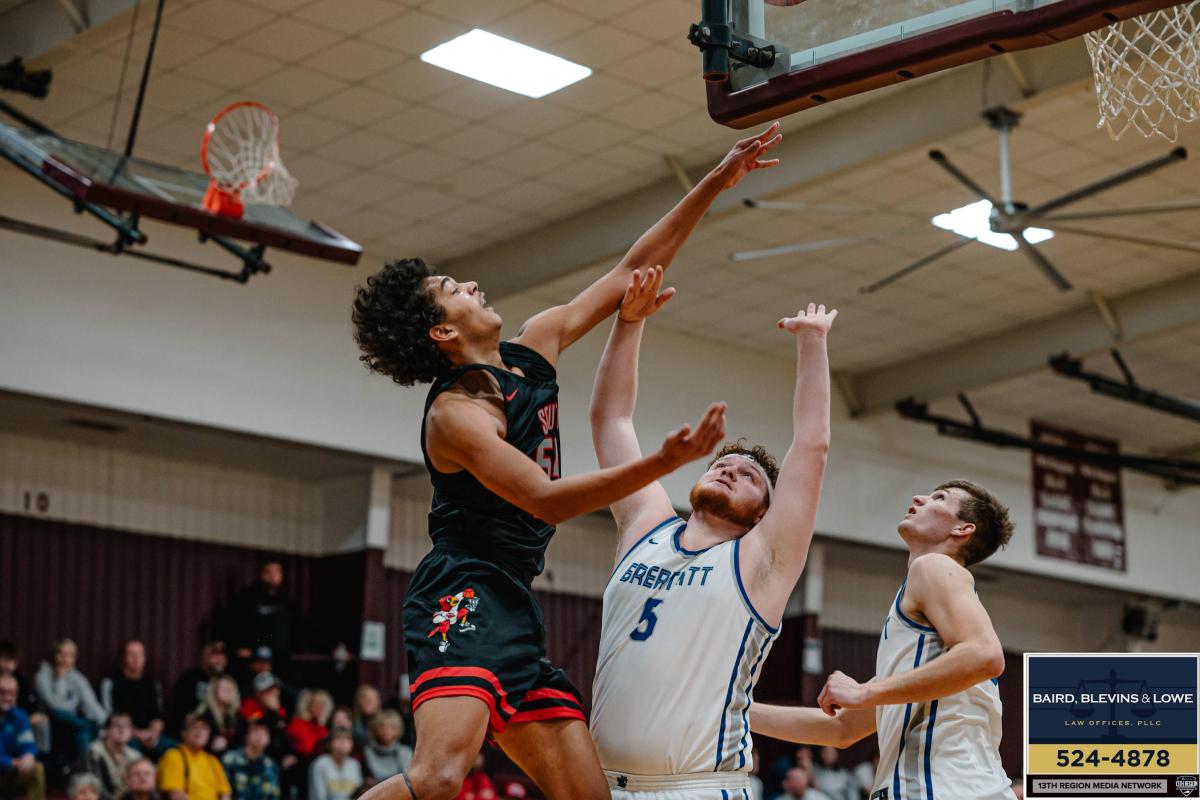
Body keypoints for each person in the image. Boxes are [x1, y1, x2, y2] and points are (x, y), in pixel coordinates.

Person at [351, 123, 783, 800]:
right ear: (443, 330)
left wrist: (715, 182)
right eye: (453, 288)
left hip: (515, 598)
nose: (471, 283)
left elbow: (630, 271)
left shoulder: (536, 345)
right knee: (438, 778)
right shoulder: (456, 415)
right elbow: (546, 501)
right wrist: (662, 462)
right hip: (463, 588)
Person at [587, 269, 837, 798]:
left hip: (698, 786)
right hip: (603, 786)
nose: (730, 470)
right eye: (723, 465)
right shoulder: (647, 525)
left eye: (749, 476)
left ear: (763, 514)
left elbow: (812, 447)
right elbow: (612, 421)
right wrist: (628, 323)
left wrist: (812, 343)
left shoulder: (761, 560)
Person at [751, 482, 1016, 800]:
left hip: (943, 787)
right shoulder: (924, 657)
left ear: (963, 529)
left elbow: (985, 655)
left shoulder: (934, 566)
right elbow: (842, 729)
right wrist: (736, 712)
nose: (919, 497)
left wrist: (865, 692)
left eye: (939, 498)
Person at [36, 639, 106, 762]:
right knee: (61, 715)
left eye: (70, 655)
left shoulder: (77, 678)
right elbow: (55, 706)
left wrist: (107, 724)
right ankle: (91, 728)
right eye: (61, 653)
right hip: (51, 723)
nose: (65, 659)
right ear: (54, 655)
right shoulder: (42, 676)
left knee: (82, 734)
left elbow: (91, 704)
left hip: (72, 724)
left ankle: (83, 770)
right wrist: (61, 678)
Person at [227, 563, 300, 677]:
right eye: (269, 572)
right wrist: (240, 648)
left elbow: (297, 628)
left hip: (280, 659)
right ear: (262, 574)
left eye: (277, 572)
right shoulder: (247, 598)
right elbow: (235, 626)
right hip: (252, 657)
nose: (273, 576)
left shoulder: (286, 601)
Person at [100, 641, 169, 761]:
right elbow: (109, 717)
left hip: (150, 735)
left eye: (140, 654)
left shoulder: (153, 684)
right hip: (125, 735)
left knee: (175, 750)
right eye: (131, 654)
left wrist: (153, 733)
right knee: (131, 749)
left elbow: (158, 715)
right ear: (123, 659)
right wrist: (137, 734)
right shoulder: (110, 683)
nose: (136, 658)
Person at [157, 715, 231, 800]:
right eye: (194, 727)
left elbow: (225, 793)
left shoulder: (212, 760)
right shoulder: (173, 756)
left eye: (204, 728)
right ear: (183, 733)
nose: (199, 731)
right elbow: (175, 795)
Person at [0, 641, 49, 754]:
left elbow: (33, 704)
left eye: (12, 660)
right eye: (4, 659)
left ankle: (40, 758)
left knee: (41, 723)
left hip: (17, 720)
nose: (8, 665)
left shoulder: (21, 681)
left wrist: (34, 715)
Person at [0, 673, 43, 800]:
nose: (7, 697)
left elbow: (28, 743)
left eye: (12, 693)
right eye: (2, 692)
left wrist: (28, 755)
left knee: (37, 769)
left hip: (8, 774)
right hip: (6, 767)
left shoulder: (19, 716)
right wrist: (11, 762)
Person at [170, 644, 227, 735]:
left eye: (222, 656)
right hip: (191, 731)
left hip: (217, 733)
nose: (219, 660)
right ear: (204, 656)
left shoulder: (226, 681)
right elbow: (180, 711)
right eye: (215, 656)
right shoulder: (189, 678)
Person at [83, 713, 140, 799]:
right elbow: (96, 786)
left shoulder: (136, 756)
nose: (122, 730)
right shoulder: (94, 751)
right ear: (106, 731)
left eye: (126, 726)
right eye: (117, 726)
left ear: (131, 731)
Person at [237, 676, 289, 770]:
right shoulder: (249, 706)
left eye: (276, 689)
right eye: (269, 690)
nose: (274, 693)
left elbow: (282, 737)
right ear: (258, 693)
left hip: (274, 758)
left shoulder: (280, 711)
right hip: (250, 755)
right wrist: (273, 712)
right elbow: (256, 727)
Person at [220, 722, 279, 800]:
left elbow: (274, 795)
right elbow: (223, 792)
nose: (260, 736)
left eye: (264, 733)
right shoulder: (230, 759)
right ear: (246, 735)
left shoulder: (271, 765)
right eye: (256, 731)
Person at [193, 677, 242, 757]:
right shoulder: (204, 715)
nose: (228, 692)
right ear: (214, 691)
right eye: (224, 688)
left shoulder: (235, 715)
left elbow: (239, 741)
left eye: (230, 689)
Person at [307, 729, 360, 800]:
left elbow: (359, 794)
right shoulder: (320, 764)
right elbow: (318, 796)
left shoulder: (354, 764)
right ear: (329, 743)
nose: (343, 742)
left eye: (347, 738)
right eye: (338, 738)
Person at [362, 711, 411, 787]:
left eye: (392, 727)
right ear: (376, 728)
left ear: (399, 730)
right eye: (382, 727)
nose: (386, 731)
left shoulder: (405, 752)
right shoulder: (367, 751)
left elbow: (408, 780)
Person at [284, 690, 331, 762]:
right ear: (308, 705)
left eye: (323, 704)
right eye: (317, 704)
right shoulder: (297, 724)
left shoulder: (323, 726)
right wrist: (320, 727)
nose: (321, 708)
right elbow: (308, 749)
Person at [349, 685, 380, 750]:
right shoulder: (349, 721)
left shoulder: (384, 723)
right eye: (365, 699)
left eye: (372, 699)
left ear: (378, 702)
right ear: (358, 701)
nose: (368, 702)